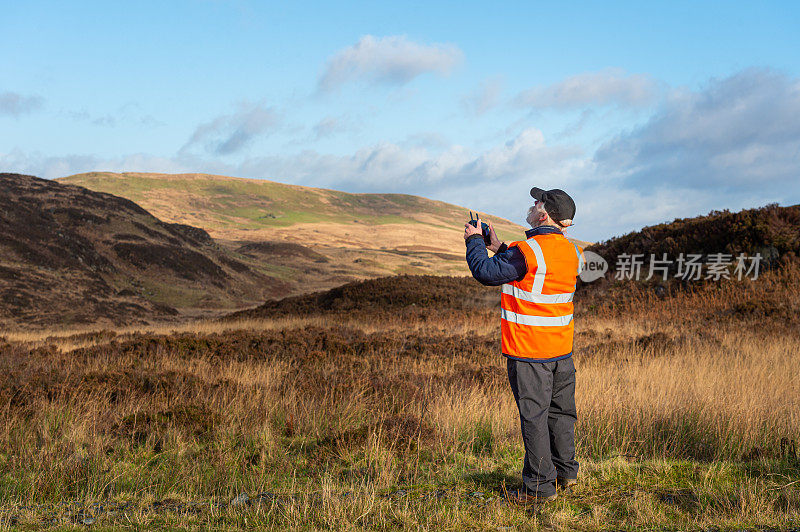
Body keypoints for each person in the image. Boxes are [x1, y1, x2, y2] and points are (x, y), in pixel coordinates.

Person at [464, 187, 584, 504]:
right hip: (561, 352)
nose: (531, 206)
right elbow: (530, 271)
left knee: (534, 418)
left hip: (530, 352)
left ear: (543, 215)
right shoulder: (572, 251)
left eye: (536, 203)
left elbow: (486, 272)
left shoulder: (528, 251)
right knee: (561, 415)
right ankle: (566, 474)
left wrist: (474, 242)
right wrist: (497, 245)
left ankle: (539, 489)